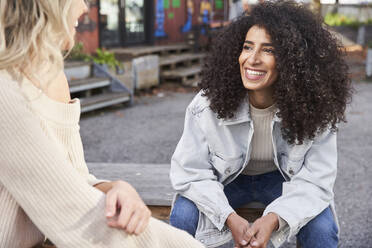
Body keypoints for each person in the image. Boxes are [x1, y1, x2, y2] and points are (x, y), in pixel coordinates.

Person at [0, 1, 203, 247]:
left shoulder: (52, 77)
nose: (85, 8)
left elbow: (74, 178)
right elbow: (76, 214)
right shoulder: (4, 89)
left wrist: (113, 188)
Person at [169, 1, 353, 248]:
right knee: (183, 213)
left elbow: (316, 182)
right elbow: (190, 172)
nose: (252, 59)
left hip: (282, 183)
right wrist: (229, 217)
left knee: (322, 227)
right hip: (227, 182)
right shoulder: (207, 104)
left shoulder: (316, 109)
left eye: (268, 50)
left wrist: (274, 219)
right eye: (247, 47)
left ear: (293, 60)